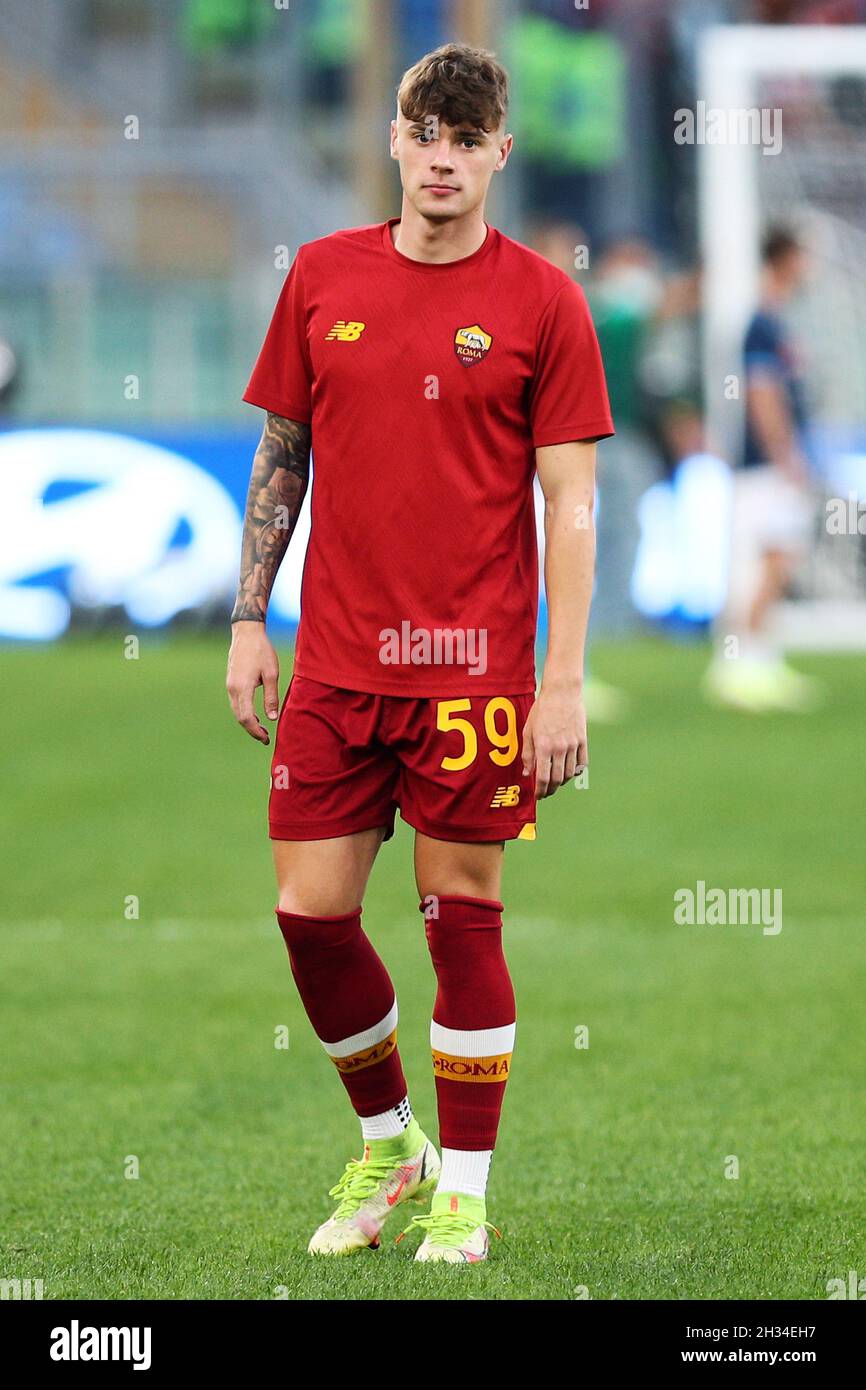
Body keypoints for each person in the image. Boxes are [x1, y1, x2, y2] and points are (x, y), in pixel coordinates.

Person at [226, 43, 613, 1265]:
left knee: (460, 917)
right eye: (421, 133)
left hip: (471, 673)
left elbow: (571, 504)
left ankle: (468, 1194)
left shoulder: (543, 300)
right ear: (393, 140)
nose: (441, 157)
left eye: (466, 137)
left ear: (499, 152)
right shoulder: (321, 277)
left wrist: (558, 685)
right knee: (309, 917)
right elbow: (283, 452)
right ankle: (393, 1142)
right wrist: (246, 616)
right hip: (336, 666)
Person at [704, 227, 822, 711]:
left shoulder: (775, 320)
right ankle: (742, 664)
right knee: (772, 559)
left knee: (773, 560)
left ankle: (757, 659)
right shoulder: (764, 323)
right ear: (786, 258)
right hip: (763, 463)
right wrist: (783, 453)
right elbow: (761, 391)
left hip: (766, 462)